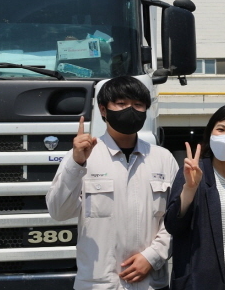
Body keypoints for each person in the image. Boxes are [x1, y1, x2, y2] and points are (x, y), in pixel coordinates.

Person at [46, 76, 177, 290]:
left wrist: (153, 256)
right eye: (121, 104)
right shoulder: (82, 156)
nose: (130, 110)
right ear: (103, 110)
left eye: (138, 105)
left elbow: (175, 219)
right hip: (98, 284)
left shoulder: (163, 158)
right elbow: (58, 211)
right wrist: (76, 164)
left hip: (150, 283)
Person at [165, 104, 225, 290]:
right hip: (198, 283)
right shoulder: (194, 173)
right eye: (221, 129)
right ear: (211, 134)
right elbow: (172, 225)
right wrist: (190, 189)